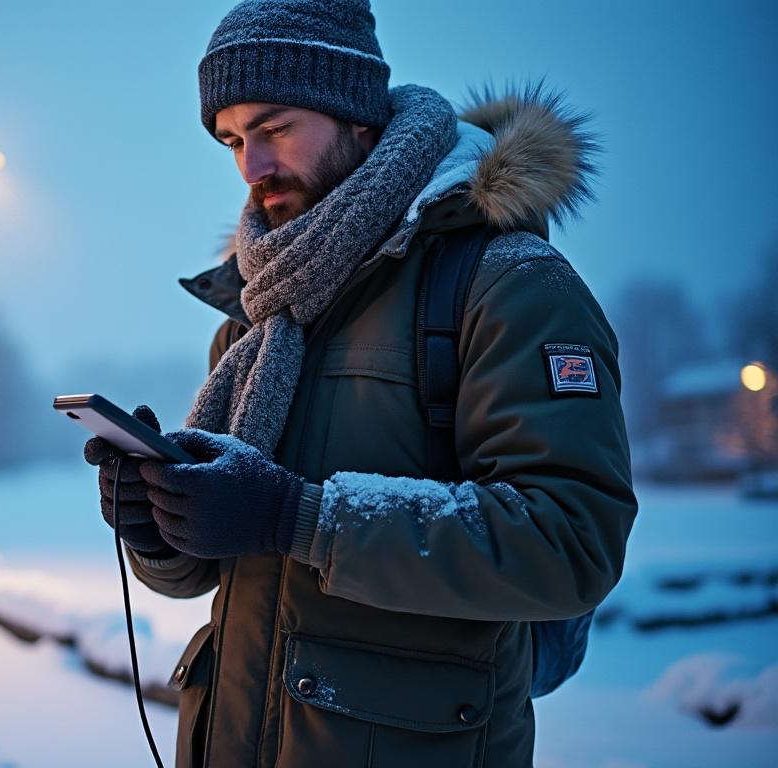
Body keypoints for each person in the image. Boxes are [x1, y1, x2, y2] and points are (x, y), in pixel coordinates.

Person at [81, 1, 637, 766]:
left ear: (358, 117)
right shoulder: (257, 312)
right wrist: (160, 523)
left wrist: (300, 517)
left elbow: (570, 539)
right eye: (233, 139)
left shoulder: (506, 285)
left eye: (274, 129)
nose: (251, 167)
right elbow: (226, 564)